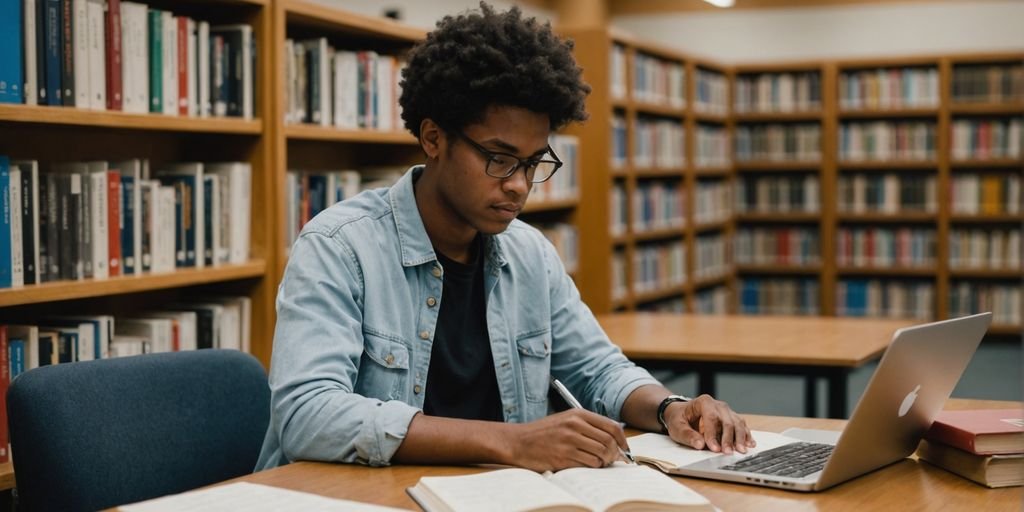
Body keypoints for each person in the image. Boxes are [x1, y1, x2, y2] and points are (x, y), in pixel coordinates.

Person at [255, 2, 754, 473]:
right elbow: (308, 415)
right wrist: (512, 441)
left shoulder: (530, 252)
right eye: (498, 158)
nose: (518, 184)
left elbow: (598, 369)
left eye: (533, 163)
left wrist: (670, 407)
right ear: (433, 138)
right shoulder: (340, 246)